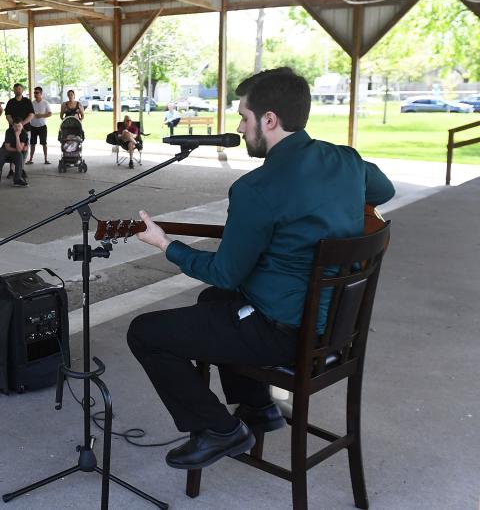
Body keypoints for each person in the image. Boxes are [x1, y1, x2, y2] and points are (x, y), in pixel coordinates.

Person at [126, 68, 396, 471]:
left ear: (269, 120)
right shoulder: (346, 159)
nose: (239, 126)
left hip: (285, 331)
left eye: (244, 117)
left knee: (145, 332)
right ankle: (258, 407)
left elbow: (225, 271)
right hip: (335, 326)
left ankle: (220, 429)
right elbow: (383, 191)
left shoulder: (256, 188)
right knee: (212, 302)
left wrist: (166, 244)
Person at [0, 118, 28, 186]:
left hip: (15, 152)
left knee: (19, 156)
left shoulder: (24, 133)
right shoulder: (9, 131)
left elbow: (20, 150)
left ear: (22, 126)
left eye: (19, 126)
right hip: (5, 150)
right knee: (0, 157)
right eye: (15, 126)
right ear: (12, 126)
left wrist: (17, 136)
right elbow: (7, 147)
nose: (17, 128)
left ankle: (17, 180)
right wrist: (19, 149)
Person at [27, 86, 52, 165]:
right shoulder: (32, 103)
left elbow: (50, 113)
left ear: (41, 93)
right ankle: (30, 159)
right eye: (34, 93)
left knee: (44, 143)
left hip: (42, 126)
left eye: (37, 93)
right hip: (33, 126)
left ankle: (46, 159)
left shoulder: (45, 103)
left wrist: (41, 115)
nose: (35, 94)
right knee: (32, 143)